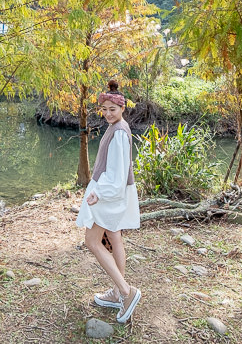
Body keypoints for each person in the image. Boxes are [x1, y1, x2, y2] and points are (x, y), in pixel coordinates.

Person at [75, 79, 142, 323]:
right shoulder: (116, 128)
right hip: (112, 193)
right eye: (104, 110)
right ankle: (117, 293)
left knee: (92, 241)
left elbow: (117, 174)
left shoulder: (120, 134)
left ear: (122, 109)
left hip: (109, 195)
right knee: (113, 236)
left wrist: (99, 193)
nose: (107, 114)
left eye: (112, 109)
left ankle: (126, 291)